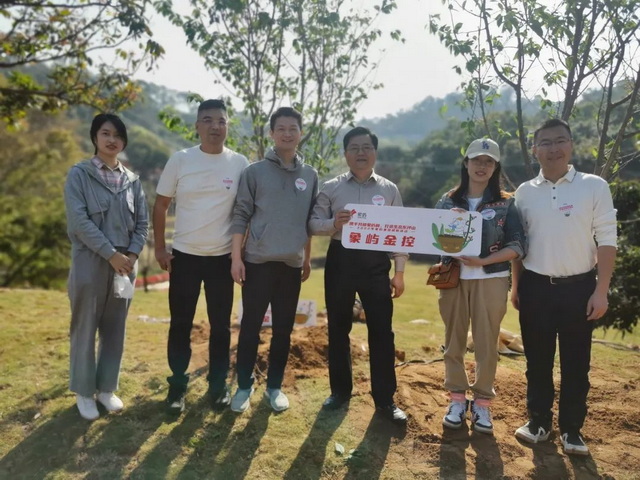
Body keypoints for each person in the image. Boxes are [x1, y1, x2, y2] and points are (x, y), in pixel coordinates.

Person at [512, 118, 617, 455]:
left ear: (571, 145)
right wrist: (516, 287)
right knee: (537, 362)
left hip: (579, 289)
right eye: (545, 142)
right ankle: (539, 423)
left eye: (560, 141)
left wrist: (601, 291)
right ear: (534, 149)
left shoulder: (594, 186)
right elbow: (518, 244)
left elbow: (607, 239)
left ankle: (572, 430)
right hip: (535, 288)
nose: (553, 148)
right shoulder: (524, 192)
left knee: (576, 364)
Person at [154, 99, 250, 414]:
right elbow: (161, 205)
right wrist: (159, 247)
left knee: (221, 326)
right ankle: (177, 386)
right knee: (181, 323)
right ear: (197, 126)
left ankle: (218, 385)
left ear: (227, 126)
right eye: (207, 120)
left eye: (221, 121)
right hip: (185, 258)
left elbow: (245, 211)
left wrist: (239, 254)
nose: (214, 126)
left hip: (222, 259)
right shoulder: (181, 160)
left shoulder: (239, 163)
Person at [308, 126, 408, 425]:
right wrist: (333, 224)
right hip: (341, 259)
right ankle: (340, 391)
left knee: (382, 331)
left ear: (374, 152)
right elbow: (312, 223)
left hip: (376, 263)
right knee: (338, 328)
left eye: (366, 147)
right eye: (354, 148)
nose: (361, 153)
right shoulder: (332, 187)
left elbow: (400, 232)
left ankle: (385, 399)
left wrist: (399, 272)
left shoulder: (389, 190)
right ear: (346, 153)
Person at [434, 138, 526, 435]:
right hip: (454, 280)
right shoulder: (448, 200)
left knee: (487, 343)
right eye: (476, 160)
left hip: (491, 279)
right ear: (466, 163)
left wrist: (484, 260)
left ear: (495, 167)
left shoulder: (507, 202)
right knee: (454, 341)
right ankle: (457, 400)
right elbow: (432, 236)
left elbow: (517, 245)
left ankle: (483, 403)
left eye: (488, 161)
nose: (481, 166)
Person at [229, 107, 318, 413]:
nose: (287, 134)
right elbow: (240, 214)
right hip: (257, 262)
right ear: (271, 133)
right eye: (281, 128)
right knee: (250, 327)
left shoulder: (310, 175)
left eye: (293, 128)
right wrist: (236, 258)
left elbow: (309, 221)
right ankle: (243, 386)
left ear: (300, 133)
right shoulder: (254, 172)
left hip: (291, 266)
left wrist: (306, 258)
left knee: (283, 330)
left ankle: (274, 387)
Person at [64, 113, 149, 420]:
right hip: (90, 262)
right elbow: (79, 222)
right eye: (105, 133)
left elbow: (142, 224)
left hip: (125, 267)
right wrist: (111, 254)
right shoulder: (80, 175)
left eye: (118, 135)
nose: (112, 140)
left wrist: (132, 256)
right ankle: (84, 392)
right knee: (85, 327)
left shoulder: (132, 181)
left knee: (115, 329)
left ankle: (106, 390)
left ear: (123, 141)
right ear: (95, 137)